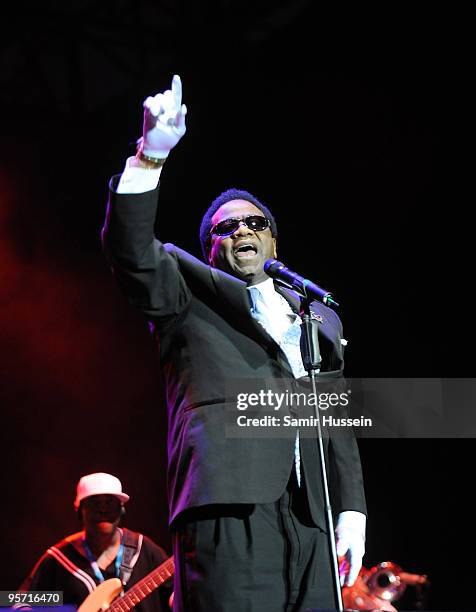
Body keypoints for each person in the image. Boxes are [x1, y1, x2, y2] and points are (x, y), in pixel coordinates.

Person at [102, 75, 367, 611]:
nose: (242, 230)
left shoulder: (316, 318)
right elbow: (132, 252)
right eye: (227, 228)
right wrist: (150, 156)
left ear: (273, 238)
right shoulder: (186, 294)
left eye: (255, 222)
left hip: (311, 514)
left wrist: (352, 511)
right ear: (211, 247)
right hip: (229, 506)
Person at [18, 472, 173, 611]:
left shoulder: (144, 549)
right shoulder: (60, 559)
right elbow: (18, 601)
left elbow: (176, 593)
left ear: (122, 509)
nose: (103, 510)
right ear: (80, 510)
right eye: (94, 503)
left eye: (110, 503)